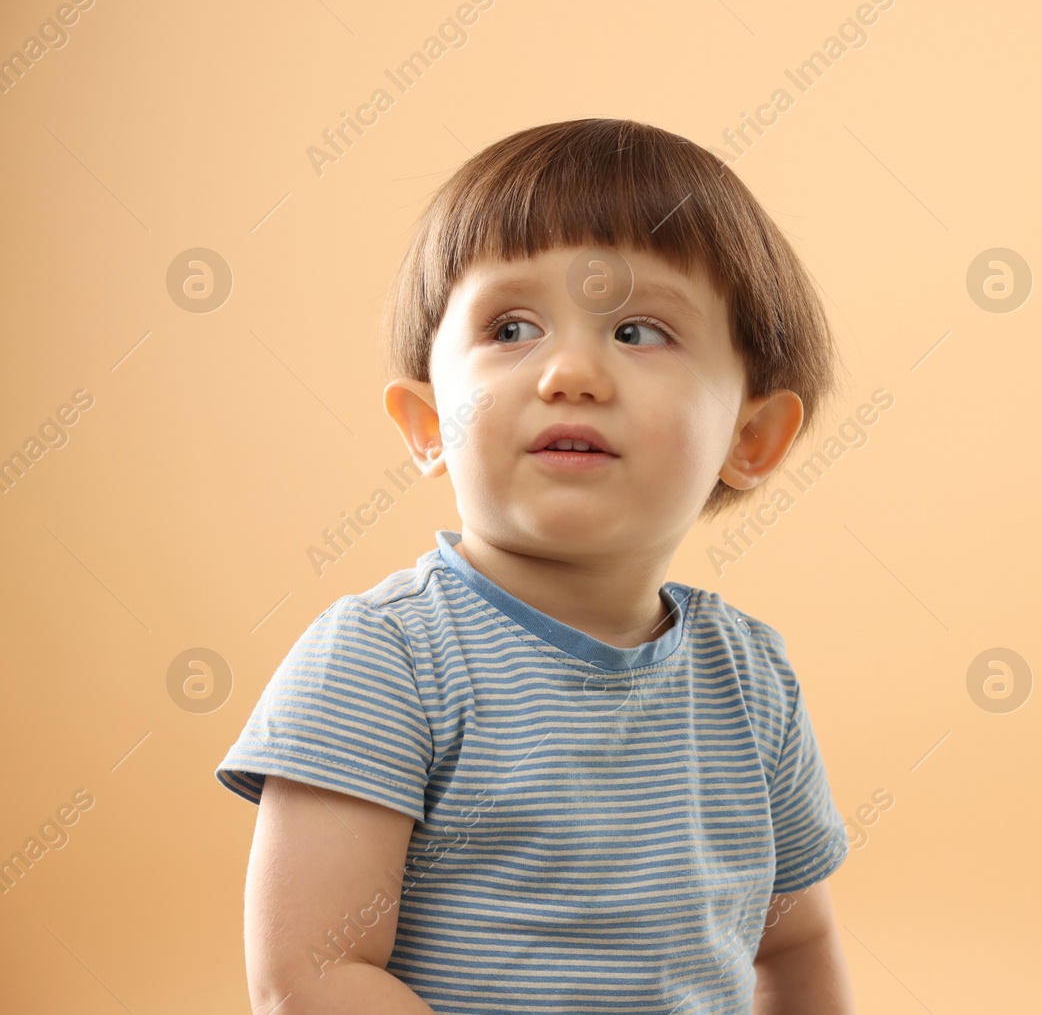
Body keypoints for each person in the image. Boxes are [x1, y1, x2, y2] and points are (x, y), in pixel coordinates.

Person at [215, 117, 855, 1013]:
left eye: (638, 331)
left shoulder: (750, 684)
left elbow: (796, 943)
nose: (571, 371)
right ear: (429, 424)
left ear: (750, 437)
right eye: (512, 326)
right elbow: (311, 975)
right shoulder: (386, 660)